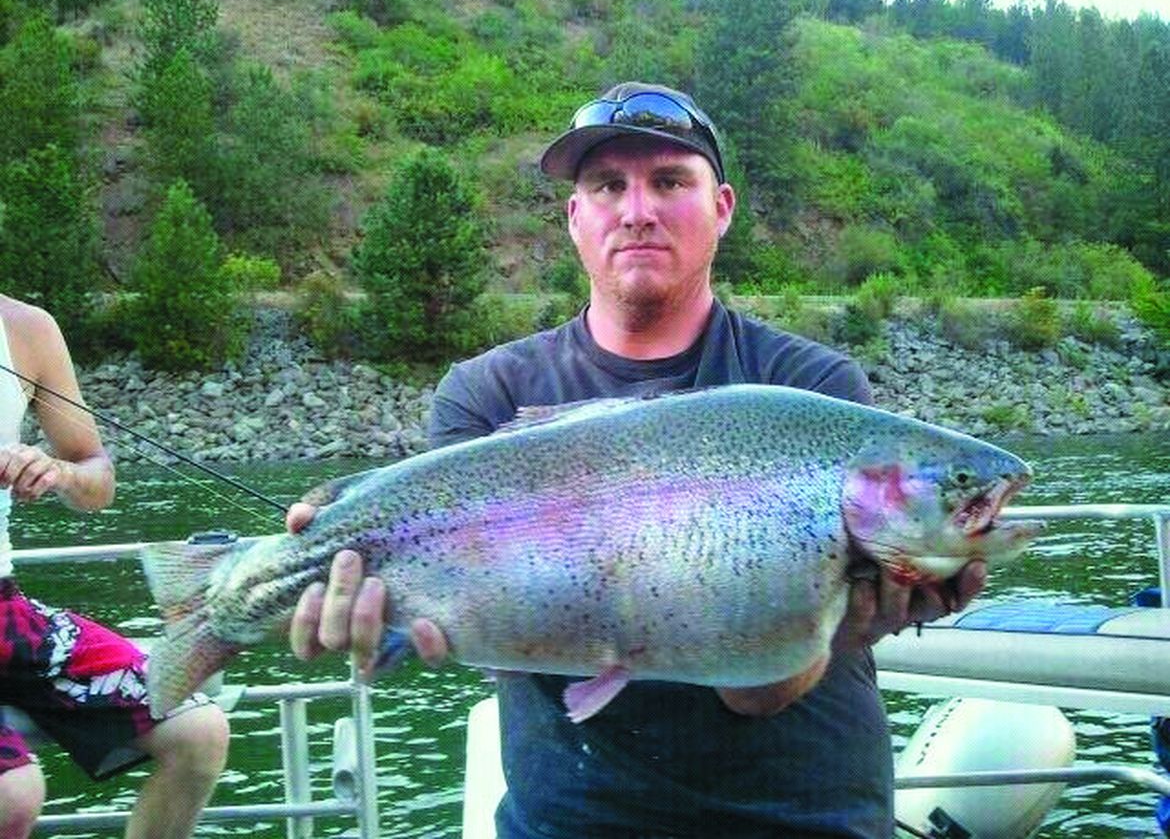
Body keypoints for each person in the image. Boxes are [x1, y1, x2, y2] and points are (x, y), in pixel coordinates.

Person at [285, 82, 987, 837]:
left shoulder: (809, 392)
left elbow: (759, 697)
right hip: (570, 817)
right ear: (574, 217)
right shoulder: (488, 395)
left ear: (721, 207)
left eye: (669, 181)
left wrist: (834, 624)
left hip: (802, 811)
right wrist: (357, 588)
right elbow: (474, 618)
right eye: (608, 185)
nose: (637, 209)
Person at [0, 296, 230, 839]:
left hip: (8, 613)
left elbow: (96, 478)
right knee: (13, 794)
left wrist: (55, 471)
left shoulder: (26, 330)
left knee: (198, 731)